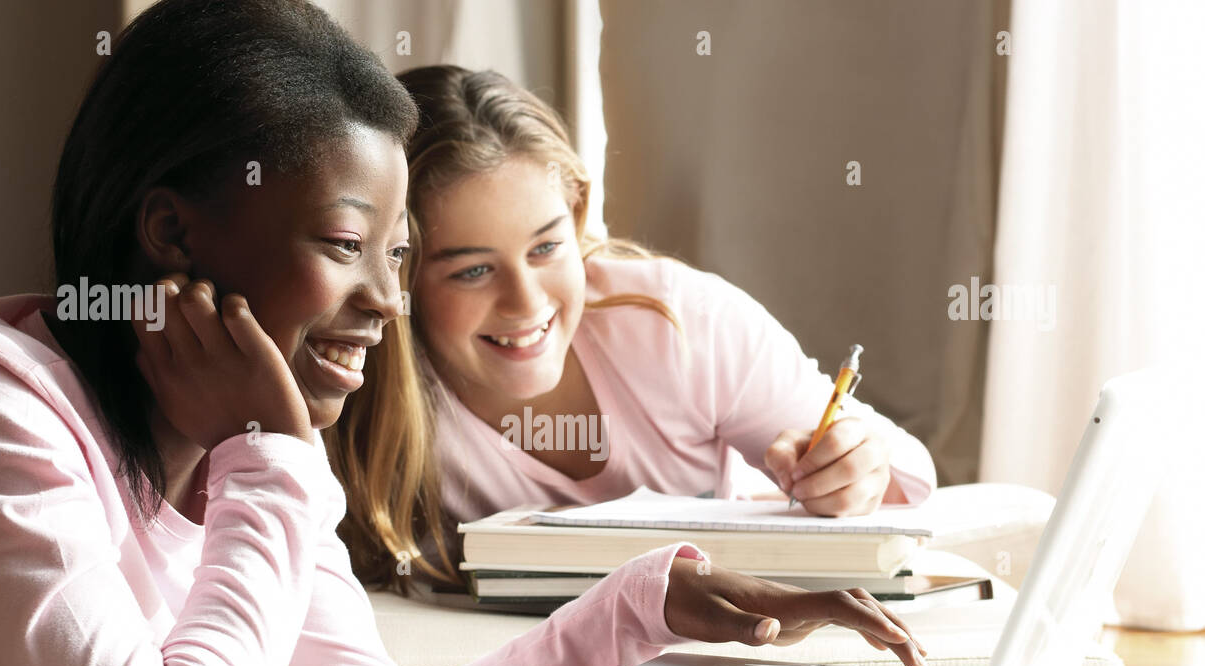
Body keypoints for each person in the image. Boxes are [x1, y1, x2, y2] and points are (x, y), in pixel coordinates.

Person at [0, 1, 927, 666]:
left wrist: (641, 605)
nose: (389, 302)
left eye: (397, 256)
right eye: (349, 246)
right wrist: (270, 451)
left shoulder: (251, 442)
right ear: (171, 234)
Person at [331, 65, 938, 590]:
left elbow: (910, 477)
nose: (525, 301)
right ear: (399, 275)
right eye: (473, 270)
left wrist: (857, 468)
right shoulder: (362, 383)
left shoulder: (681, 324)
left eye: (545, 249)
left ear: (577, 220)